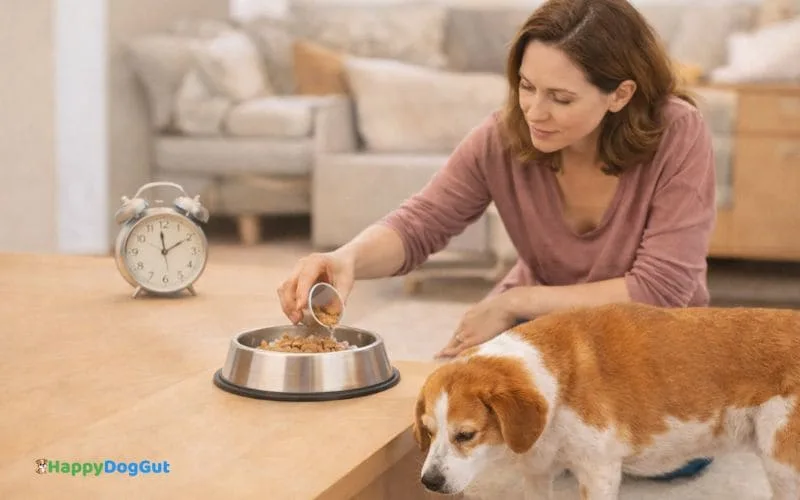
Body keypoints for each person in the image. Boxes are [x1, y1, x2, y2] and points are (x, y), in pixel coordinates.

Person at [278, 0, 716, 481]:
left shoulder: (677, 131)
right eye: (526, 87)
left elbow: (662, 288)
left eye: (561, 98)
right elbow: (421, 222)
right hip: (541, 334)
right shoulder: (504, 134)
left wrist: (514, 303)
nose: (535, 111)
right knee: (452, 426)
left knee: (662, 458)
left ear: (619, 94)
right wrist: (348, 258)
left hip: (645, 344)